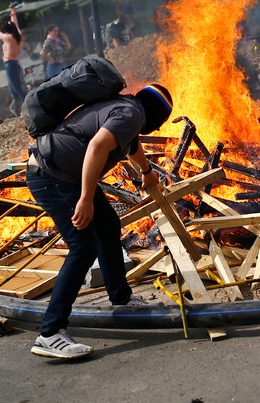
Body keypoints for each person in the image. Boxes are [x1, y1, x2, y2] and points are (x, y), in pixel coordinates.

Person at [25, 83, 174, 360]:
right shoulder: (131, 115)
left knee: (107, 227)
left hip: (62, 173)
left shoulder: (127, 108)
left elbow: (131, 145)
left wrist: (147, 171)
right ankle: (50, 332)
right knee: (83, 247)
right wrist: (85, 198)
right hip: (52, 178)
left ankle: (121, 298)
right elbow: (96, 146)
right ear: (157, 117)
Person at [0, 4, 27, 116]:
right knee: (15, 88)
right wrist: (12, 13)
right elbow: (15, 24)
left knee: (16, 89)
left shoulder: (9, 38)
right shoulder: (18, 36)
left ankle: (26, 107)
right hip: (15, 63)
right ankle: (18, 109)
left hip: (10, 64)